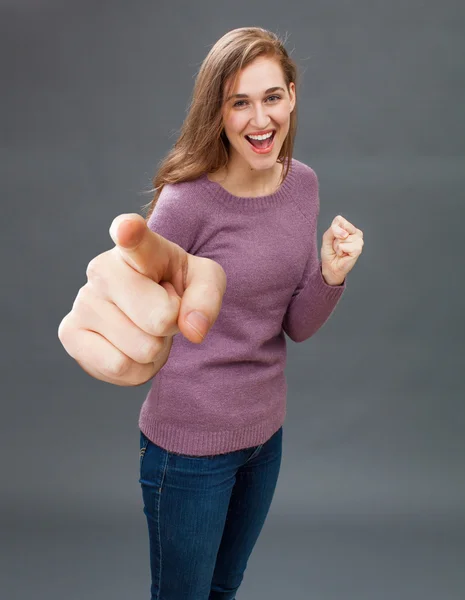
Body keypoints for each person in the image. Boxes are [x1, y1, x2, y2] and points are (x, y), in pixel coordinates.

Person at [58, 26, 364, 600]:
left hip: (263, 437)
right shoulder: (188, 200)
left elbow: (294, 326)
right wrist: (111, 313)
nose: (259, 119)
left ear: (292, 96)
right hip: (189, 448)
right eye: (239, 103)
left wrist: (330, 273)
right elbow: (136, 283)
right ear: (218, 113)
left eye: (271, 97)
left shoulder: (303, 186)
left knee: (223, 590)